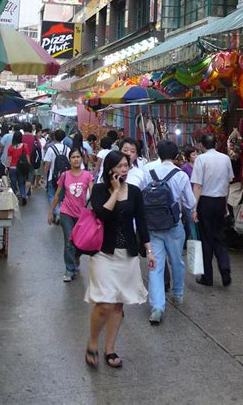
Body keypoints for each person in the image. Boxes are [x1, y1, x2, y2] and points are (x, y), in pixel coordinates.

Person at [85, 150, 155, 369]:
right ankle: (93, 342)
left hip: (127, 255)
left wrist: (149, 250)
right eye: (120, 166)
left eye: (127, 166)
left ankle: (110, 348)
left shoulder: (134, 192)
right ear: (110, 170)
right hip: (103, 253)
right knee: (104, 303)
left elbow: (142, 223)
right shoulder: (98, 190)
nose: (125, 169)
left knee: (117, 305)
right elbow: (102, 215)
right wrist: (115, 192)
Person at [143, 139, 196, 325]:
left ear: (158, 153)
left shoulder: (147, 170)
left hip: (152, 227)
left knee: (155, 267)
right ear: (175, 156)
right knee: (177, 262)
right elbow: (190, 203)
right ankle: (178, 293)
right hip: (174, 226)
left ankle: (157, 307)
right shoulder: (180, 175)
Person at [191, 133, 234, 288]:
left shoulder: (201, 159)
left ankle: (207, 277)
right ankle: (225, 269)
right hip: (220, 201)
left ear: (202, 145)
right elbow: (228, 183)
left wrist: (194, 208)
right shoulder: (225, 158)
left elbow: (197, 186)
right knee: (220, 237)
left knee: (206, 239)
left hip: (205, 202)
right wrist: (226, 205)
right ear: (216, 144)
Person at [48, 147, 94, 282]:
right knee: (69, 241)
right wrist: (51, 212)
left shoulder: (87, 175)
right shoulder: (65, 175)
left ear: (82, 159)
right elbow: (57, 195)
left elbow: (93, 194)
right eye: (73, 157)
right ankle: (69, 269)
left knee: (79, 242)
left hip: (81, 215)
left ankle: (76, 258)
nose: (76, 159)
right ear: (69, 160)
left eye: (78, 157)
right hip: (66, 212)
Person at [43, 129, 70, 223]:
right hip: (65, 177)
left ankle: (57, 211)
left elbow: (47, 164)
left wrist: (44, 175)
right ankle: (59, 211)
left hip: (52, 176)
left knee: (51, 195)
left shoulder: (51, 149)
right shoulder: (68, 149)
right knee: (61, 196)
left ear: (54, 137)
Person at [6, 130, 30, 205]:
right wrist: (28, 165)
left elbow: (9, 159)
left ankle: (13, 199)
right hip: (21, 168)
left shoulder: (10, 147)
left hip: (12, 168)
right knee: (21, 183)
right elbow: (27, 157)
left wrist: (6, 167)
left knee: (13, 183)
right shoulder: (24, 146)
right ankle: (23, 196)